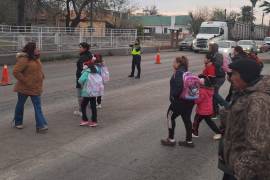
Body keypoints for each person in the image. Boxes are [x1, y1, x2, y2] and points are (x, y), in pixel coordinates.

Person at [218, 59, 270, 180]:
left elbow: (259, 146)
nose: (231, 78)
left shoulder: (258, 100)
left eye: (235, 74)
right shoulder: (244, 92)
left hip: (244, 171)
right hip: (234, 165)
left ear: (246, 76)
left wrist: (241, 171)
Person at [12, 42, 48, 133]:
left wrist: (41, 75)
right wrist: (26, 81)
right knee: (20, 105)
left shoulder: (36, 58)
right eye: (36, 48)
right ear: (31, 50)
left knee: (37, 106)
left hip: (35, 87)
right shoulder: (24, 59)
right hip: (24, 87)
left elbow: (38, 69)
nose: (38, 49)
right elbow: (16, 72)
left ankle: (41, 125)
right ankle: (18, 122)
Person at [161, 56, 195, 148]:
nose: (173, 63)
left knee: (169, 117)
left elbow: (179, 87)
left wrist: (173, 97)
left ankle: (171, 139)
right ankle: (189, 141)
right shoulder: (188, 72)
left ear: (178, 63)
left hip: (180, 101)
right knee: (187, 119)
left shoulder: (179, 73)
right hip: (190, 100)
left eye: (174, 62)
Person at [78, 63, 103, 127]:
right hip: (94, 92)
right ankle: (94, 121)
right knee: (93, 106)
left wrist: (83, 72)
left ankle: (85, 120)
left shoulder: (86, 72)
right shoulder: (96, 71)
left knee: (83, 105)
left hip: (87, 92)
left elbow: (80, 81)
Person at [209, 43, 229, 118]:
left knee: (214, 93)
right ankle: (215, 111)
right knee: (213, 94)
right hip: (215, 77)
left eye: (210, 47)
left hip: (219, 77)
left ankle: (226, 105)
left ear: (213, 48)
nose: (209, 48)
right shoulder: (212, 54)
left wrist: (211, 62)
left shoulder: (218, 55)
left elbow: (219, 64)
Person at [74, 42, 92, 116]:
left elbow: (82, 69)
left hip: (82, 78)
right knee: (87, 93)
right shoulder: (90, 55)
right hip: (89, 77)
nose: (79, 48)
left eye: (80, 47)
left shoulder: (82, 57)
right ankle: (89, 106)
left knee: (80, 95)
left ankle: (81, 111)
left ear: (84, 48)